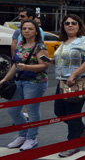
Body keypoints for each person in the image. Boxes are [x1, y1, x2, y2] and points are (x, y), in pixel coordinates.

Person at [0, 19, 50, 151]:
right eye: (24, 29)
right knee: (13, 109)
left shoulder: (40, 46)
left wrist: (26, 67)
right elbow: (15, 66)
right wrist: (4, 79)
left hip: (35, 82)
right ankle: (22, 135)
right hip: (19, 81)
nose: (27, 31)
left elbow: (45, 65)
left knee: (32, 111)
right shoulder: (21, 45)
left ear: (36, 32)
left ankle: (32, 138)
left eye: (30, 29)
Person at [53, 14, 85, 158]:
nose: (70, 25)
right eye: (67, 23)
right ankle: (82, 129)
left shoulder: (83, 40)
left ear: (79, 26)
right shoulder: (64, 42)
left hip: (78, 81)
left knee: (73, 113)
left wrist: (74, 74)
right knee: (59, 112)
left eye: (74, 23)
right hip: (62, 81)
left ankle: (72, 144)